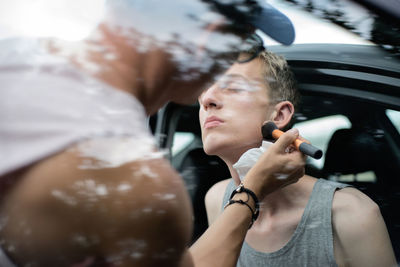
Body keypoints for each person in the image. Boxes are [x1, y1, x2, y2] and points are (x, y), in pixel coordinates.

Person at [0, 1, 307, 266]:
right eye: (240, 46)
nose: (208, 96)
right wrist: (251, 191)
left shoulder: (11, 58)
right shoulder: (138, 185)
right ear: (208, 39)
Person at [199, 48, 397, 266]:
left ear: (280, 115)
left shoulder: (352, 214)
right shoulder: (216, 199)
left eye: (233, 87)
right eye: (203, 90)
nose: (206, 99)